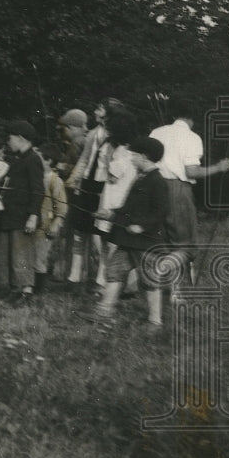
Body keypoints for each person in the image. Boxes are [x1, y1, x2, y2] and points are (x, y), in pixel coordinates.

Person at [88, 136, 170, 328]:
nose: (131, 159)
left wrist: (142, 226)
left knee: (150, 281)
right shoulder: (139, 179)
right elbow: (128, 208)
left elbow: (162, 212)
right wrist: (110, 214)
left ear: (144, 157)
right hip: (127, 240)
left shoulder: (158, 181)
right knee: (115, 271)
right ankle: (104, 311)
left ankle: (155, 320)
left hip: (146, 243)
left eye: (134, 156)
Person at [150, 99, 229, 283]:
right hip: (176, 189)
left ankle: (169, 286)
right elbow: (191, 171)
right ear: (192, 119)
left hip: (154, 185)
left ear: (173, 115)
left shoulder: (157, 131)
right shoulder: (192, 137)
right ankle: (164, 275)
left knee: (162, 239)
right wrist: (218, 167)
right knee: (186, 244)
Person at [64, 99, 122, 288]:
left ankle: (102, 279)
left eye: (99, 108)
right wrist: (74, 179)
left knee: (102, 233)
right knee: (80, 229)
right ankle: (74, 276)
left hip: (104, 186)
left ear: (108, 112)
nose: (96, 111)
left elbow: (118, 162)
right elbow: (84, 159)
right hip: (88, 184)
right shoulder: (93, 134)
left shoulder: (117, 136)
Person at [0, 120, 44, 306]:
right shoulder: (18, 159)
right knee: (6, 254)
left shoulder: (33, 159)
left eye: (10, 138)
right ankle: (14, 289)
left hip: (23, 216)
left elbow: (38, 190)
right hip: (10, 215)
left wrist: (33, 215)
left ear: (21, 138)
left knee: (21, 255)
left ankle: (26, 291)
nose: (8, 142)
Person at [93, 109, 139, 287]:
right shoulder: (134, 151)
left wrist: (106, 160)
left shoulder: (120, 152)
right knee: (120, 245)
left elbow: (112, 176)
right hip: (123, 198)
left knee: (110, 243)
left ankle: (106, 281)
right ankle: (128, 283)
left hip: (114, 199)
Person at [33, 143, 67, 295]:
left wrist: (56, 222)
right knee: (32, 254)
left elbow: (61, 206)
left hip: (46, 225)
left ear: (47, 160)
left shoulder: (55, 180)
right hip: (34, 222)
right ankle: (29, 285)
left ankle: (38, 290)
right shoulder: (36, 177)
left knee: (40, 257)